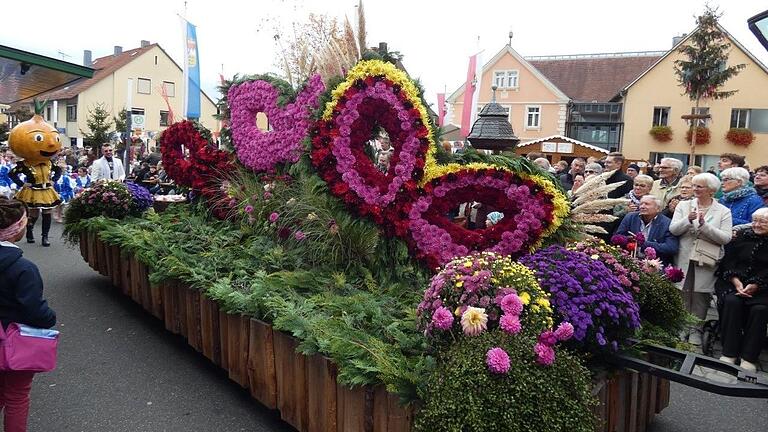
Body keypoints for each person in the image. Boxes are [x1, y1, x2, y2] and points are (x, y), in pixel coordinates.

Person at [0, 198, 57, 431]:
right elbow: (34, 310)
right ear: (18, 228)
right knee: (16, 396)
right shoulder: (24, 268)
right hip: (14, 342)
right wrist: (50, 316)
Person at [669, 173, 733, 345]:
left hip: (706, 259)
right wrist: (687, 220)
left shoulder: (723, 211)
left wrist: (705, 226)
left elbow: (725, 238)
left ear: (711, 190)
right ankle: (681, 327)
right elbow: (674, 229)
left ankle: (696, 330)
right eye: (694, 185)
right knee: (682, 293)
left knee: (701, 296)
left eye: (699, 186)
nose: (695, 189)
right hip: (684, 256)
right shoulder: (684, 205)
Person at [714, 208, 768, 372]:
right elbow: (728, 262)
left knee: (760, 310)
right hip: (735, 282)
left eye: (763, 222)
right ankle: (729, 352)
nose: (757, 225)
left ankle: (749, 357)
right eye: (755, 220)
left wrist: (756, 284)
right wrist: (736, 280)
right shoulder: (741, 237)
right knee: (732, 302)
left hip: (764, 288)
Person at [615, 195, 679, 264]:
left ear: (657, 208)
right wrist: (629, 240)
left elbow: (671, 248)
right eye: (641, 204)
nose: (642, 206)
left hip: (655, 265)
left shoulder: (667, 223)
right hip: (629, 260)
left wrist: (644, 244)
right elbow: (617, 237)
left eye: (647, 204)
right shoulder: (630, 217)